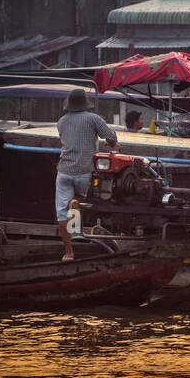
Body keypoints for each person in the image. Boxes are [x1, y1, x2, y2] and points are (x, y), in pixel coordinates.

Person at [56, 88, 117, 261]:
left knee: (61, 214)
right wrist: (112, 144)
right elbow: (110, 136)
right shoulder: (93, 119)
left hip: (64, 170)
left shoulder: (61, 121)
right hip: (84, 170)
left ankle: (69, 252)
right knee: (80, 198)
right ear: (85, 103)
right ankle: (76, 202)